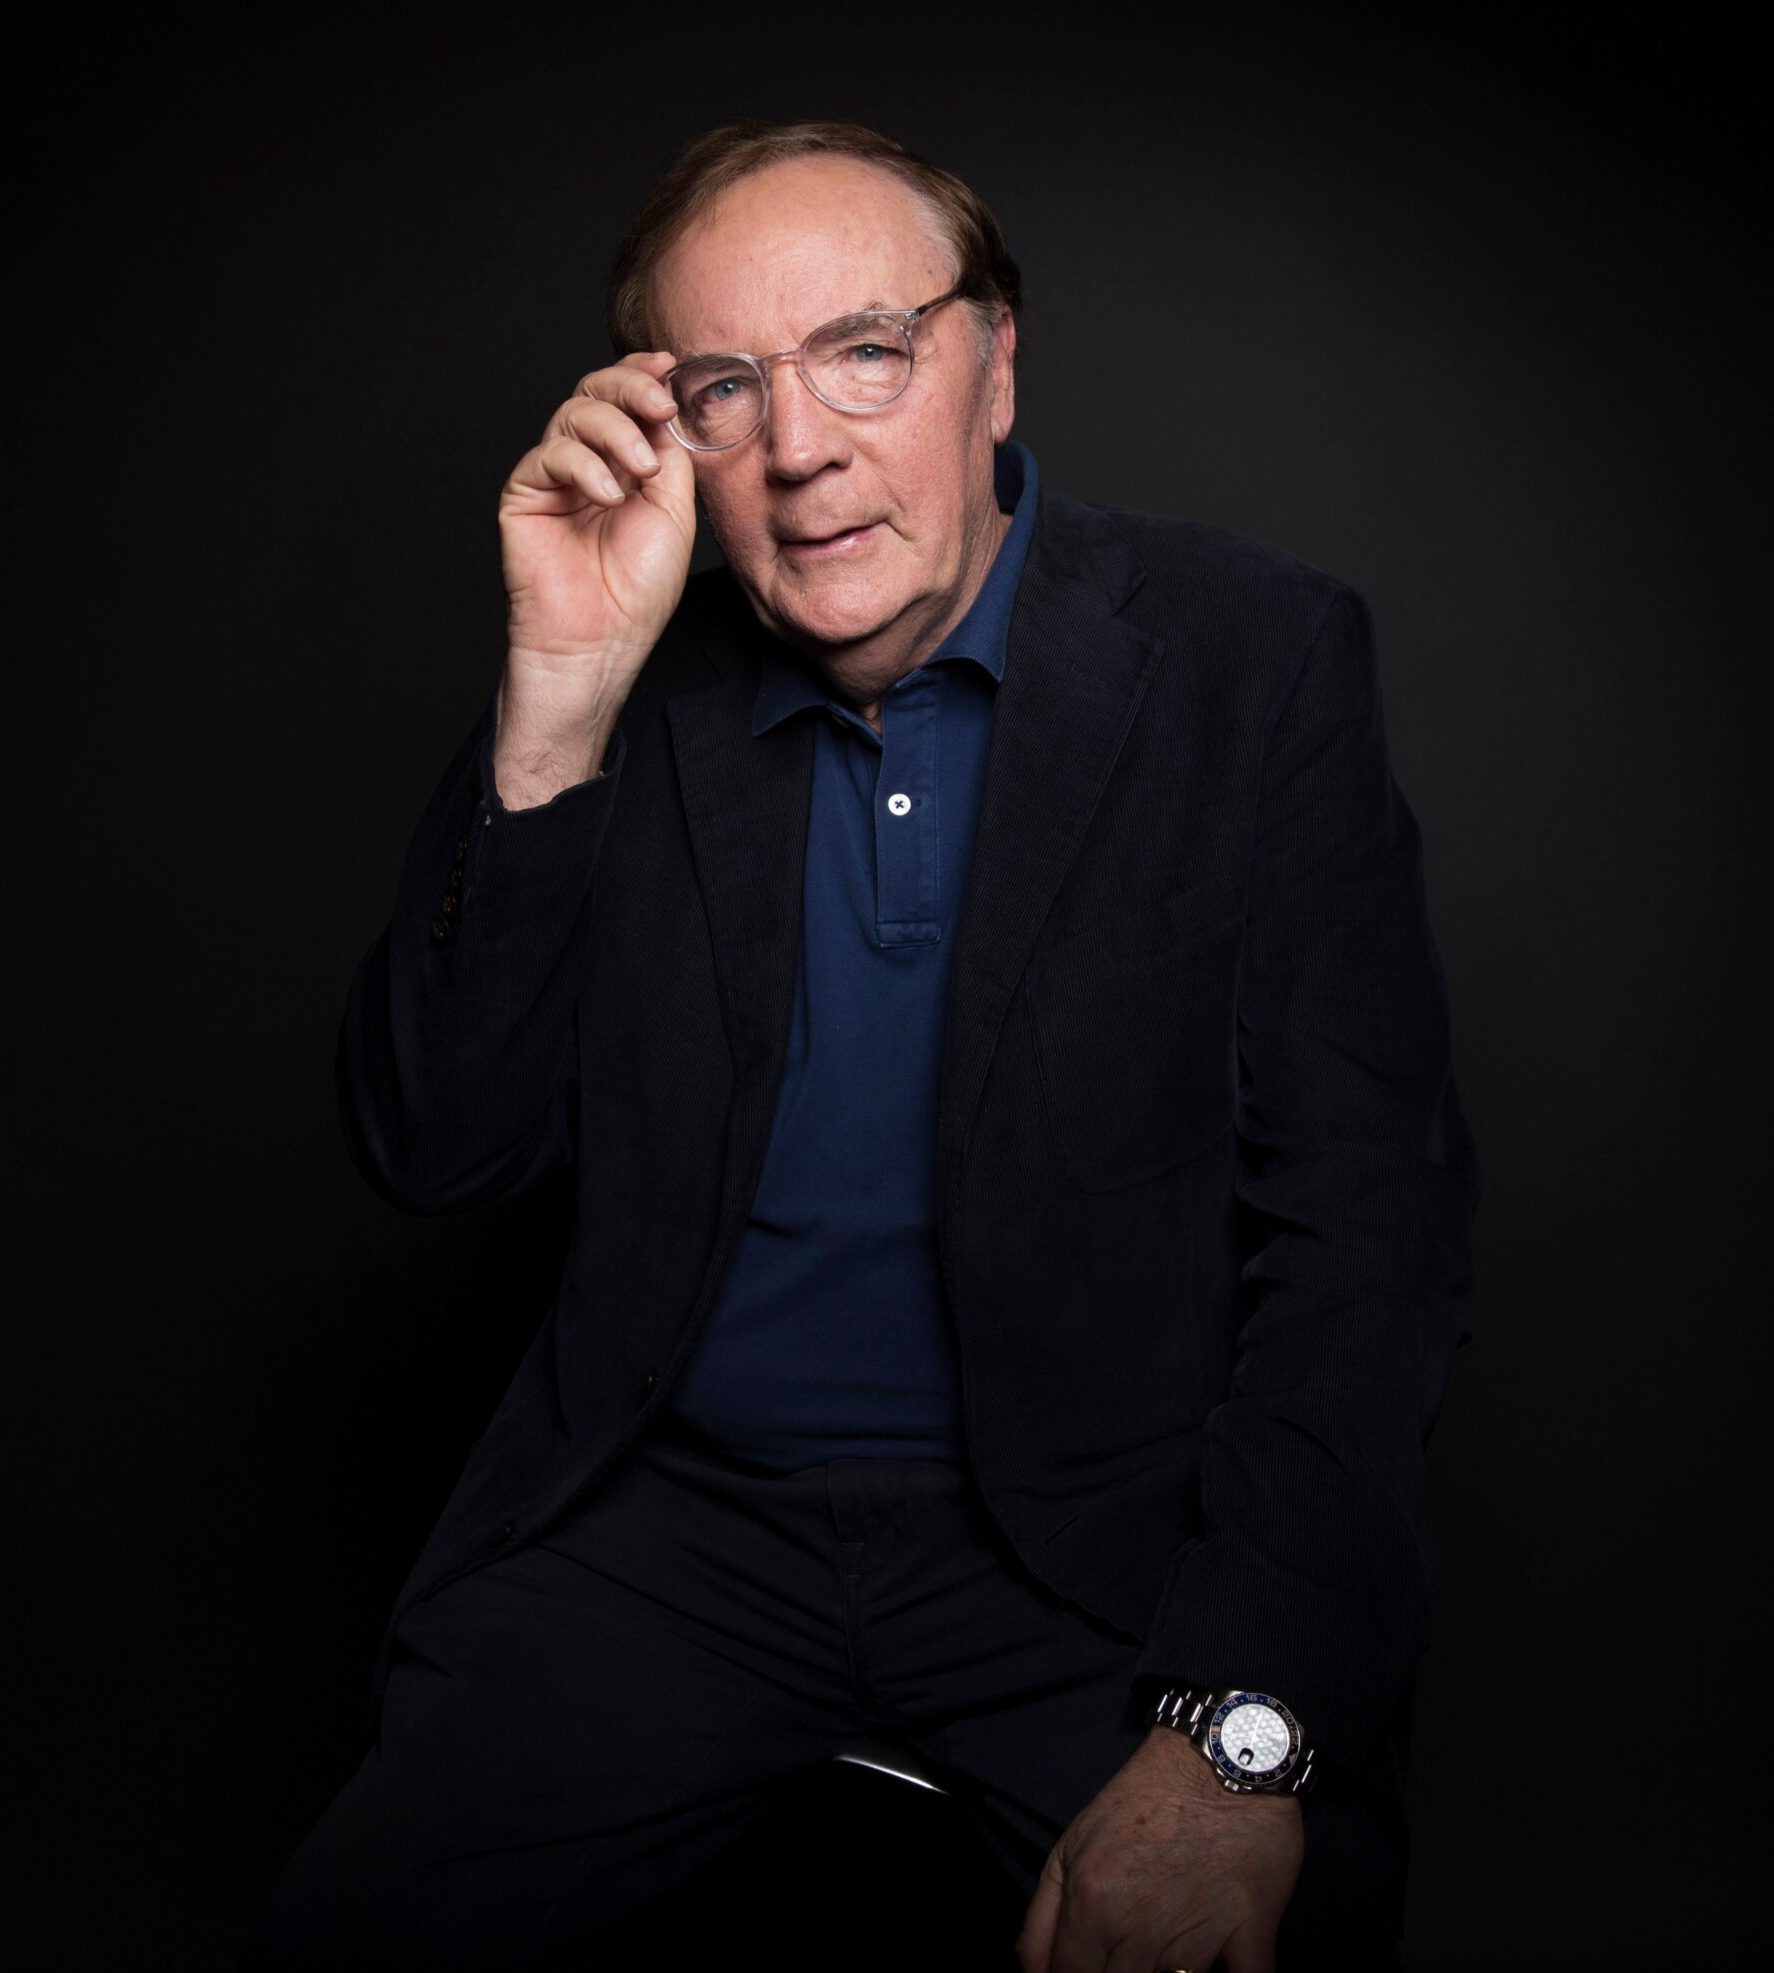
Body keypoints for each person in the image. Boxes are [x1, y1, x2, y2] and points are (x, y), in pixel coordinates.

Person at [246, 119, 1480, 1972]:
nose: (801, 447)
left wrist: (1240, 1734)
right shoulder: (632, 674)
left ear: (995, 363)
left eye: (865, 353)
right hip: (677, 1527)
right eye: (726, 388)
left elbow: (1368, 1240)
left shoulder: (1254, 658)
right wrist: (554, 700)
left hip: (1102, 1551)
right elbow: (438, 1146)